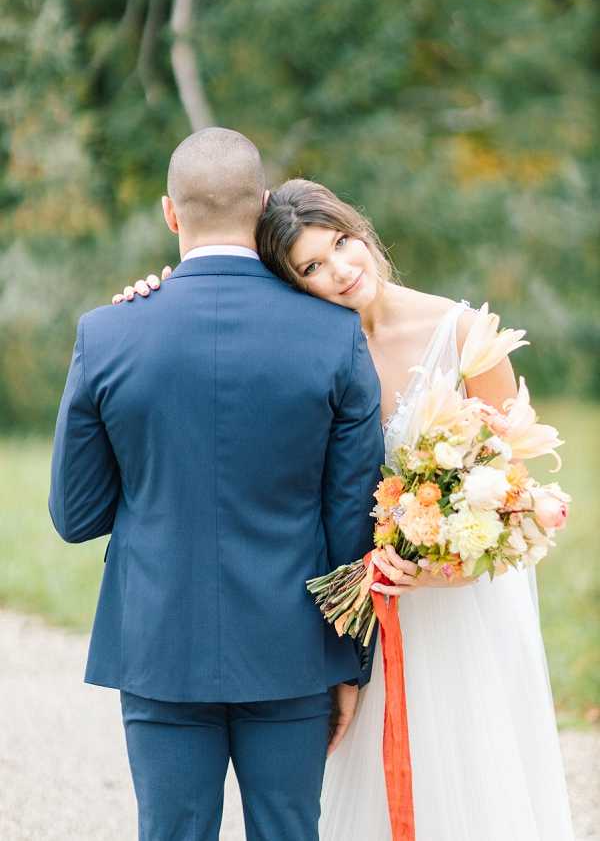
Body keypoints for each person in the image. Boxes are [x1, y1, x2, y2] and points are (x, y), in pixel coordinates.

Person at [121, 177, 575, 840]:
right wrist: (154, 294)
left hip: (456, 609)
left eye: (342, 243)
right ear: (290, 281)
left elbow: (517, 503)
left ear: (360, 229)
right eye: (310, 266)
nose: (339, 269)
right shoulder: (304, 348)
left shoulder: (467, 337)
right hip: (354, 613)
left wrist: (446, 565)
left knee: (468, 779)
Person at [48, 131, 384, 841]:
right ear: (263, 208)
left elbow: (76, 515)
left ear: (171, 215)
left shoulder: (106, 334)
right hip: (295, 647)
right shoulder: (334, 336)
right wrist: (350, 662)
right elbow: (352, 518)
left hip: (159, 638)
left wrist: (153, 490)